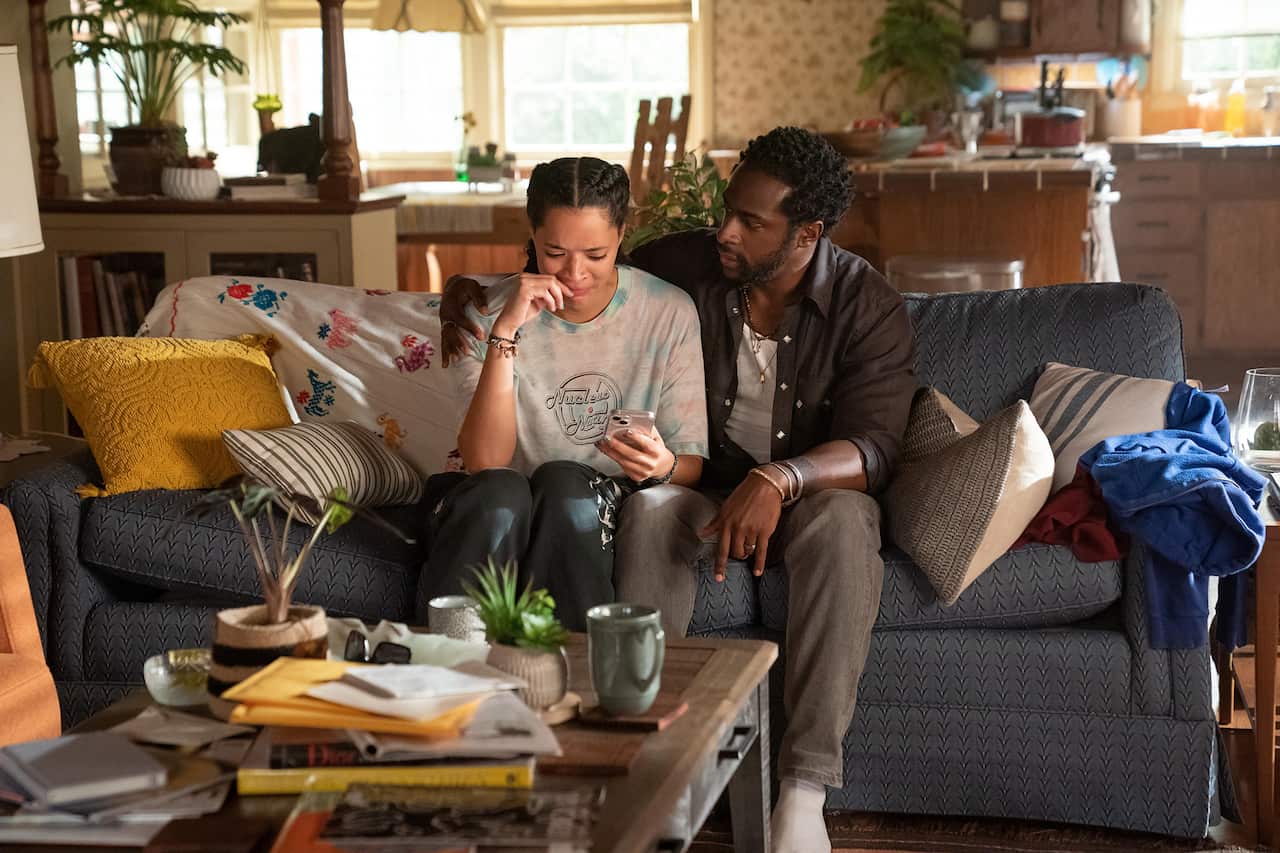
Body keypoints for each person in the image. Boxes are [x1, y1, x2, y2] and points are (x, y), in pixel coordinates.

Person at [440, 128, 916, 853]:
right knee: (654, 511)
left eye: (750, 222)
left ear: (807, 233)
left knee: (847, 524)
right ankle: (647, 754)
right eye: (727, 211)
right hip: (700, 487)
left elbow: (877, 448)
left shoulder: (866, 304)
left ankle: (804, 790)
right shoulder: (689, 264)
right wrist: (465, 294)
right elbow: (577, 266)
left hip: (810, 493)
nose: (725, 232)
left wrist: (780, 477)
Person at [420, 156, 708, 633]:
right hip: (493, 504)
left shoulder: (667, 312)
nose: (575, 273)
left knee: (564, 485)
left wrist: (661, 465)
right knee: (500, 492)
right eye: (554, 252)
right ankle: (453, 661)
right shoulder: (485, 314)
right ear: (533, 235)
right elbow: (487, 462)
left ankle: (564, 667)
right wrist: (505, 332)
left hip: (590, 505)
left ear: (622, 234)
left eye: (595, 254)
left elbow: (690, 464)